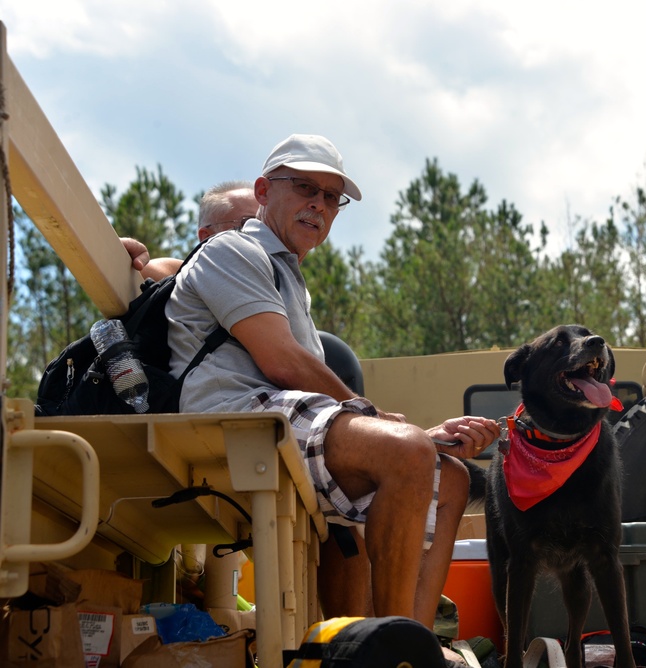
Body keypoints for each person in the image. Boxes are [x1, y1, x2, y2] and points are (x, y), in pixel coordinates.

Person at [164, 133, 500, 629]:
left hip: (276, 422)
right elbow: (283, 363)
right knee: (406, 452)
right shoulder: (232, 251)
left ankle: (417, 641)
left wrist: (421, 439)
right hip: (232, 420)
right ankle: (388, 647)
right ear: (262, 191)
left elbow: (313, 401)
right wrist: (385, 425)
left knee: (447, 479)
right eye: (304, 188)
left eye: (330, 197)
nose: (318, 205)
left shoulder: (290, 281)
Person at [121, 180, 258, 281]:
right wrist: (117, 255)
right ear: (207, 237)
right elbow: (122, 276)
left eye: (264, 226)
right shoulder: (177, 277)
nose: (261, 232)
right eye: (249, 223)